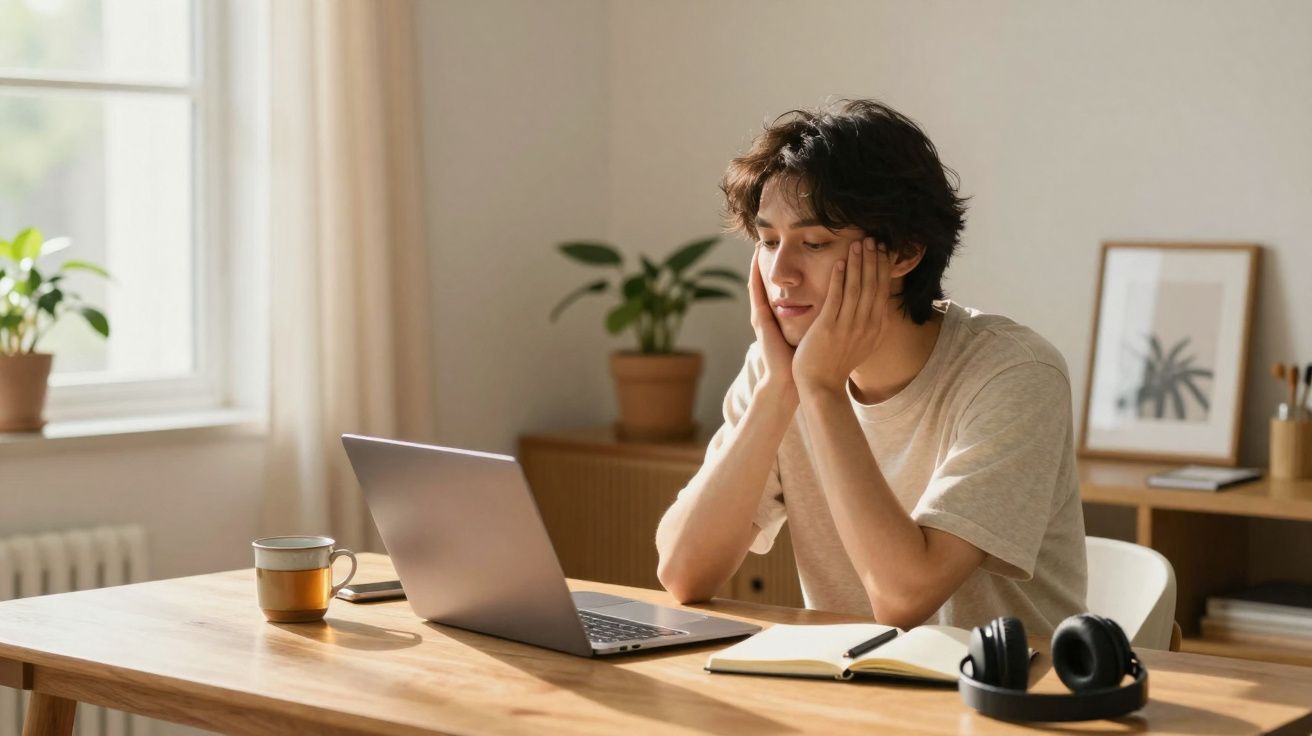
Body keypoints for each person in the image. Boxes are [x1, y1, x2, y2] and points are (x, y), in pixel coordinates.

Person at [654, 99, 1087, 634]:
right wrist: (777, 391)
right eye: (768, 242)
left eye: (814, 242)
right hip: (847, 681)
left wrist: (821, 390)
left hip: (1002, 683)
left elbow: (903, 600)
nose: (781, 272)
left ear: (904, 252)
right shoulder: (778, 370)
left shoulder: (1015, 374)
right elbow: (683, 574)